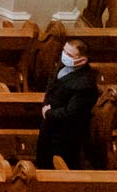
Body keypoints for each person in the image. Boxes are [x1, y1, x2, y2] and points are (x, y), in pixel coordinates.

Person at [37, 38, 99, 169]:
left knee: (56, 166)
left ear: (82, 60)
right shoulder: (63, 66)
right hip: (50, 125)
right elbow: (51, 85)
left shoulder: (85, 84)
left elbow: (72, 113)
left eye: (69, 55)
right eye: (64, 51)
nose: (64, 56)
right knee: (43, 159)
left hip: (64, 135)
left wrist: (48, 112)